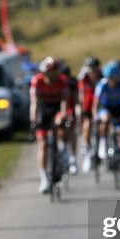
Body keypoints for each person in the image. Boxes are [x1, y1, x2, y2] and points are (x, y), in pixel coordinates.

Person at [29, 57, 69, 193]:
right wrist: (34, 120)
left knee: (61, 125)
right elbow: (34, 103)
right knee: (43, 143)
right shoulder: (37, 81)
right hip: (43, 109)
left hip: (57, 108)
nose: (53, 76)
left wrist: (63, 115)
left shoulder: (63, 81)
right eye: (50, 73)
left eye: (55, 72)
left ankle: (63, 150)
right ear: (44, 73)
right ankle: (44, 177)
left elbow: (64, 102)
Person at [93, 60, 120, 173]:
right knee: (105, 118)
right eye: (110, 78)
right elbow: (96, 104)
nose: (112, 81)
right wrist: (96, 116)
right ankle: (103, 143)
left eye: (114, 78)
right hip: (106, 108)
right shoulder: (102, 85)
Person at [78, 57, 102, 171]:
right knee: (87, 125)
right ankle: (87, 150)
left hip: (101, 106)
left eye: (94, 69)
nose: (92, 71)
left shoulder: (103, 77)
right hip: (88, 105)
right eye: (90, 69)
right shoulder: (84, 78)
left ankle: (104, 143)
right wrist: (81, 109)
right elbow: (81, 95)